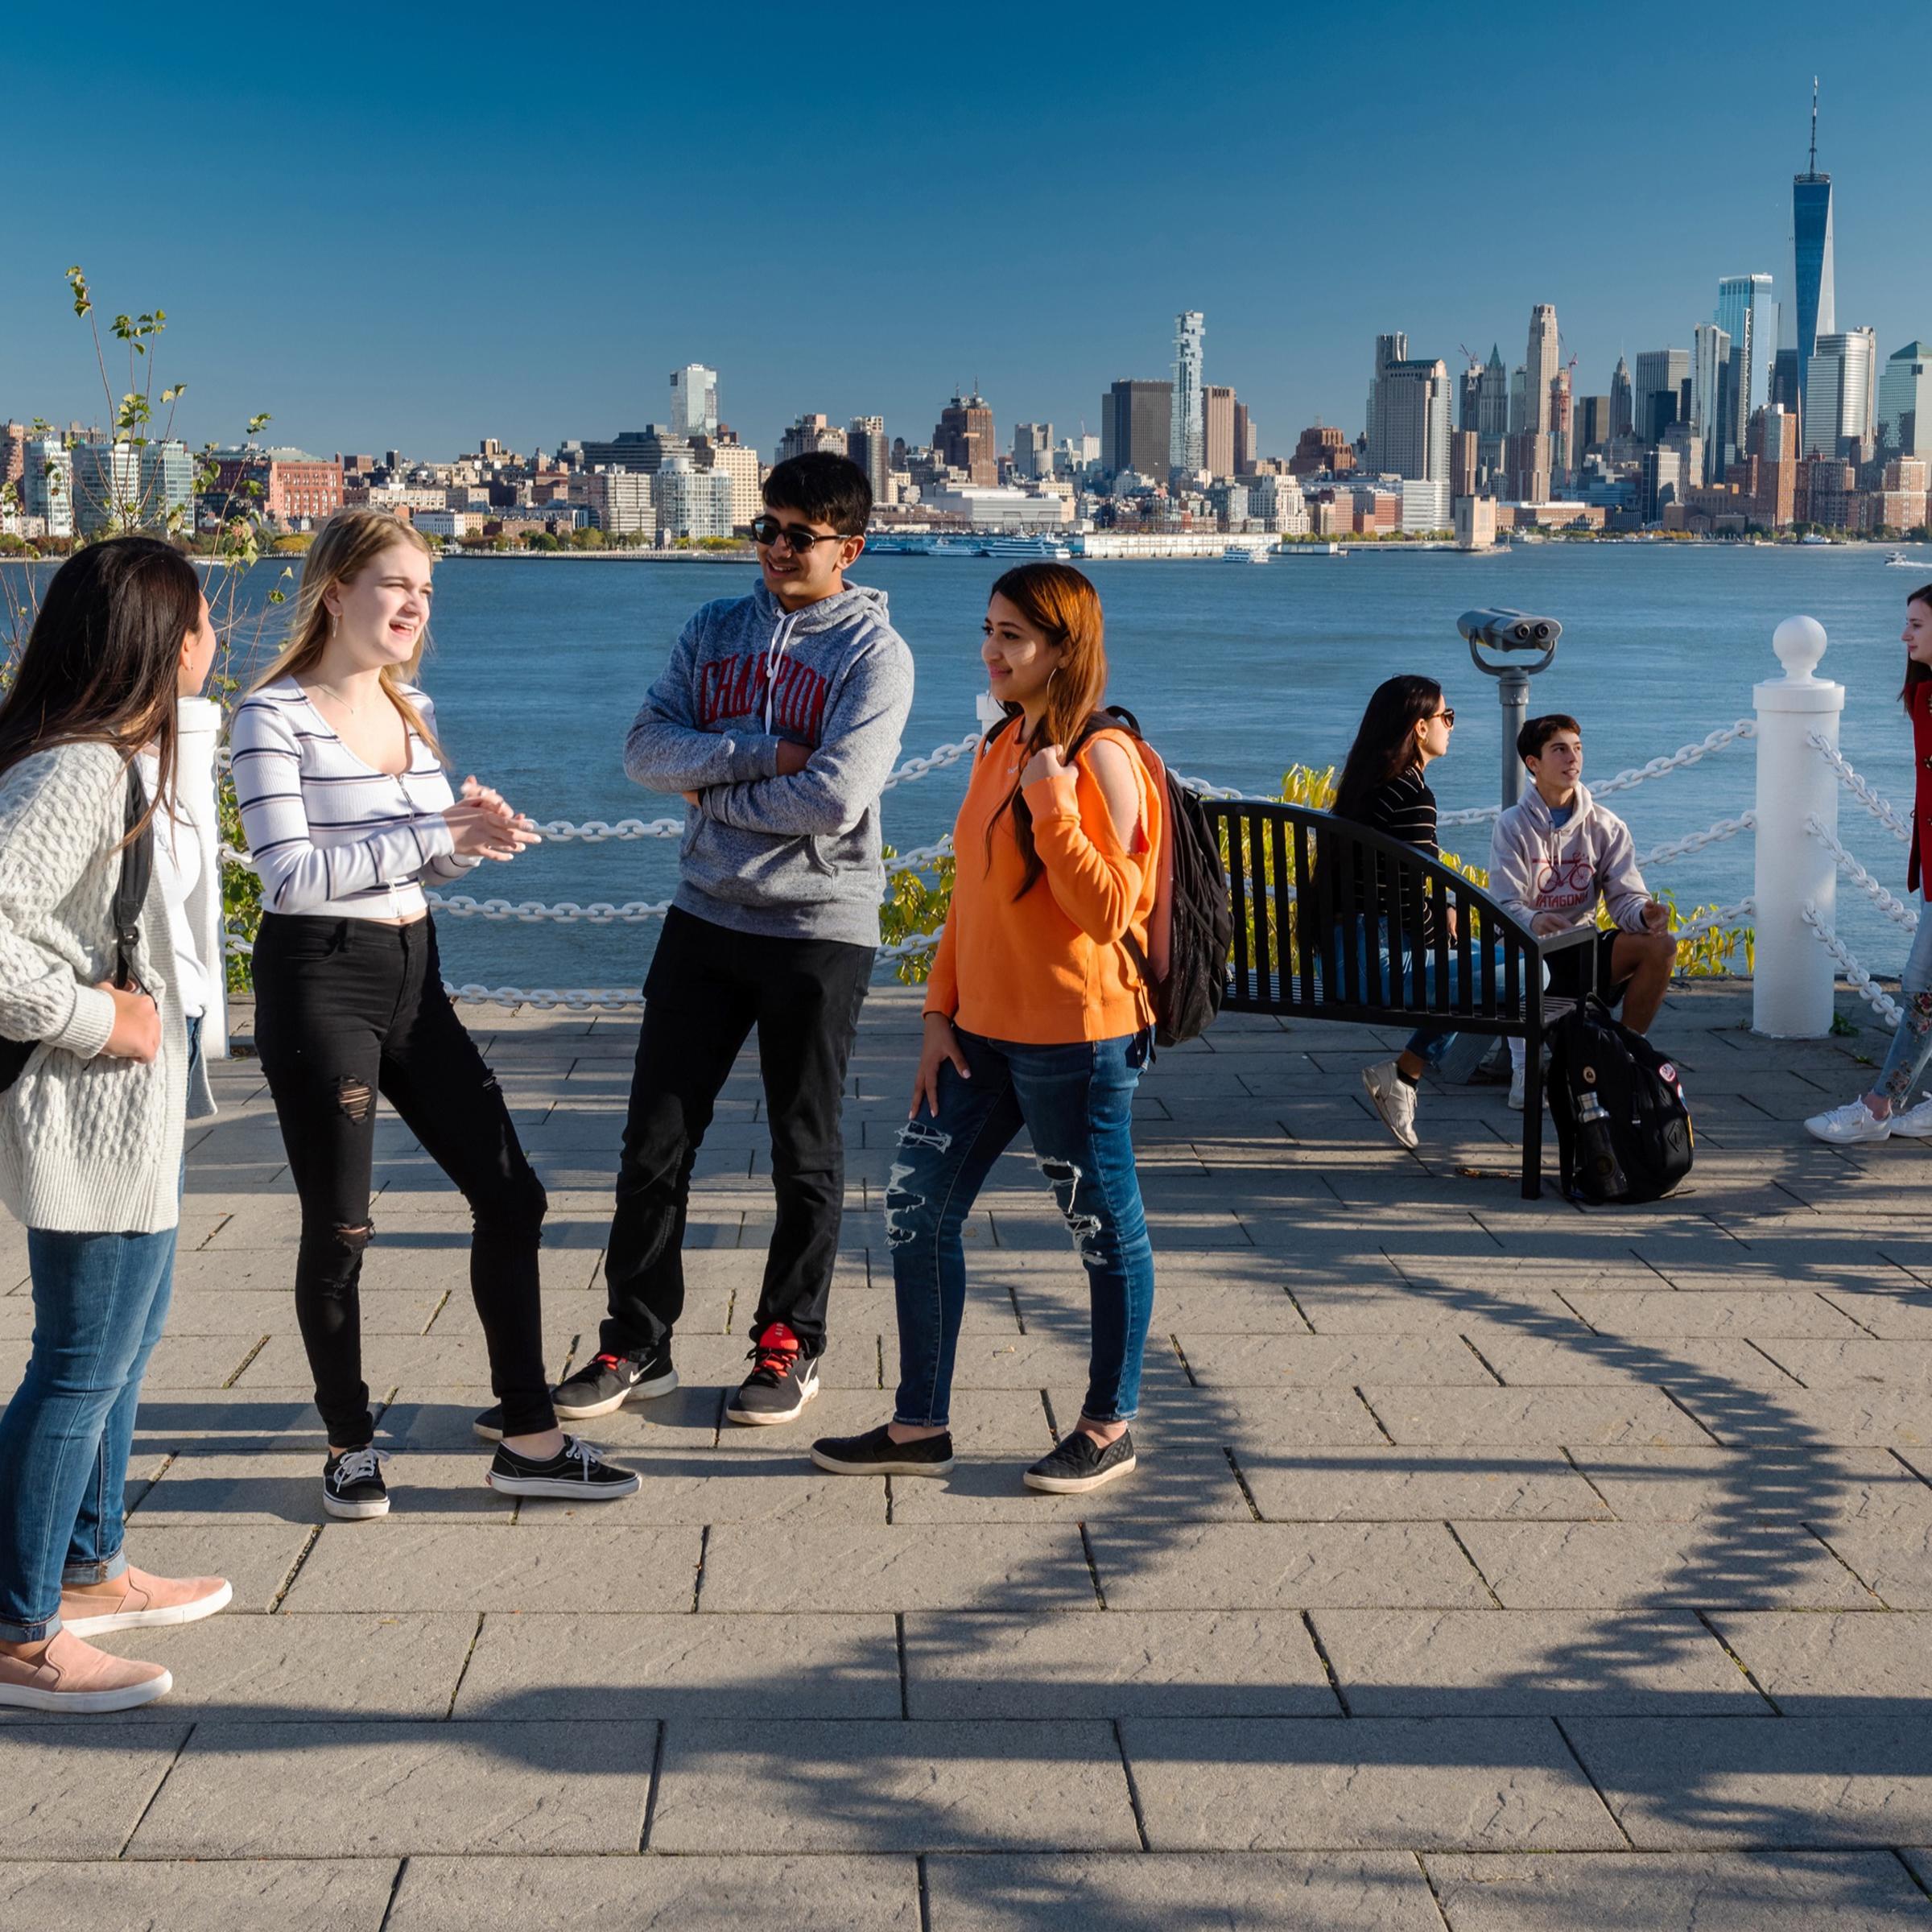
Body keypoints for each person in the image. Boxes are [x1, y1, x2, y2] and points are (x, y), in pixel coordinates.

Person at [233, 508, 637, 1517]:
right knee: (342, 1228)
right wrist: (429, 829)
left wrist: (468, 840)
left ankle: (531, 1441)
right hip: (320, 976)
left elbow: (421, 860)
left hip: (417, 972)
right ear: (336, 592)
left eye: (425, 591)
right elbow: (289, 874)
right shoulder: (270, 715)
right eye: (394, 585)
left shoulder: (412, 706)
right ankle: (348, 1443)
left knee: (513, 1196)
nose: (415, 605)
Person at [554, 452, 913, 1431]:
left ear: (851, 547)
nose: (778, 549)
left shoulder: (875, 655)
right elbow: (642, 752)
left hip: (818, 927)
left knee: (807, 1147)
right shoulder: (712, 629)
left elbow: (837, 796)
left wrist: (709, 787)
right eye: (768, 528)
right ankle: (636, 1339)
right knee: (654, 1143)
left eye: (801, 535)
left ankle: (789, 1339)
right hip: (703, 915)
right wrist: (756, 760)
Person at [811, 562, 1162, 1495]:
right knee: (917, 1210)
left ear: (1063, 647)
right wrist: (935, 1015)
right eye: (990, 629)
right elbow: (971, 898)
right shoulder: (1000, 744)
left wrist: (1054, 800)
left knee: (1099, 1226)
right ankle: (919, 1421)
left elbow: (1114, 907)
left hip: (1077, 1038)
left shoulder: (1104, 755)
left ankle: (1108, 1423)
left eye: (1013, 634)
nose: (992, 649)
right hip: (980, 1034)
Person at [0, 538, 230, 1713]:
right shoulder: (81, 772)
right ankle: (16, 1624)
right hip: (86, 1109)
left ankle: (89, 1568)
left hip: (130, 1118)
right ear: (156, 635)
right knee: (80, 1368)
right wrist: (96, 1018)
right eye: (201, 618)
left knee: (122, 1355)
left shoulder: (137, 758)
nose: (217, 637)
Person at [1488, 714, 1678, 1111]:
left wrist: (1644, 914)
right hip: (1530, 952)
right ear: (1533, 763)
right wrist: (1536, 920)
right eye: (1559, 749)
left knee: (1661, 947)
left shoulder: (1606, 826)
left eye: (1577, 748)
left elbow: (1625, 898)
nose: (1572, 758)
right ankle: (1526, 1069)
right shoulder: (1511, 826)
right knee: (1514, 955)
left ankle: (1620, 1055)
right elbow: (1506, 905)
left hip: (1582, 948)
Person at [1806, 584, 1932, 1145]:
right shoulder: (1925, 696)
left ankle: (1879, 1107)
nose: (1904, 635)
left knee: (1922, 988)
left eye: (1917, 625)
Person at [1329, 675, 1468, 1150]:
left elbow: (1391, 891)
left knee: (1479, 961)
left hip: (1338, 959)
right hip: (1378, 965)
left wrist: (1439, 916)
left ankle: (1403, 1078)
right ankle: (1404, 1075)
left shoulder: (1361, 789)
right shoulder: (1413, 797)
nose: (1452, 726)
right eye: (1446, 717)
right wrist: (1444, 933)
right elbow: (1409, 904)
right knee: (1521, 976)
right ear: (1419, 729)